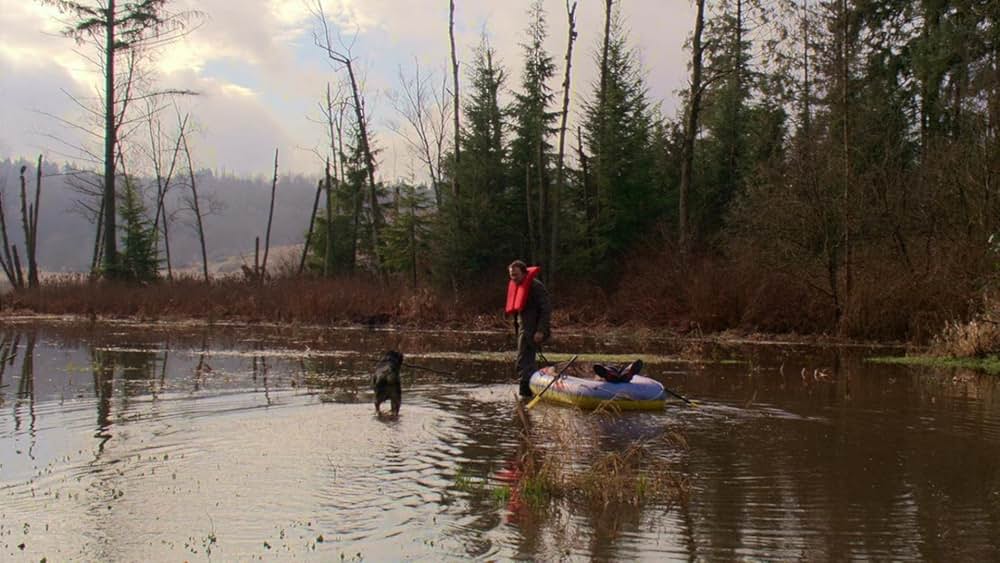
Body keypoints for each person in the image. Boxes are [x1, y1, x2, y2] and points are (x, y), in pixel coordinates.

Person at [507, 260, 552, 398]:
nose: (513, 278)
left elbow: (546, 309)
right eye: (511, 275)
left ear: (524, 273)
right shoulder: (518, 286)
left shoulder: (536, 286)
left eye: (516, 275)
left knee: (524, 363)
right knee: (525, 363)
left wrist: (541, 331)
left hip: (533, 331)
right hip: (523, 331)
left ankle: (525, 396)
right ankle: (530, 394)